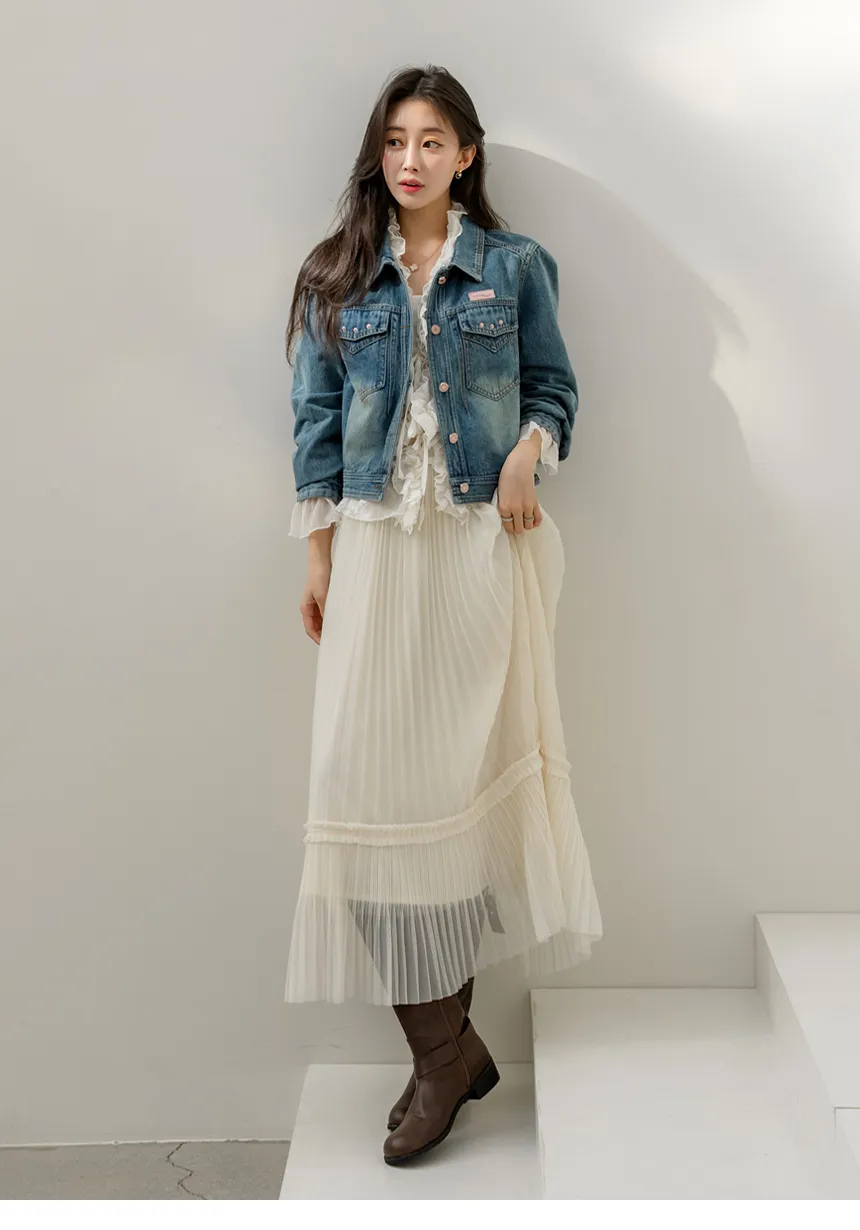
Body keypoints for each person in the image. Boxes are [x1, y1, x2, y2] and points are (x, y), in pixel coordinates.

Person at [282, 64, 603, 1167]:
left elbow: (555, 388)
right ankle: (449, 1051)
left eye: (431, 140)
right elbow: (315, 422)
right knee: (359, 790)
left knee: (455, 798)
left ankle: (437, 1064)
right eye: (394, 141)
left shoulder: (512, 267)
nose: (409, 159)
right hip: (376, 552)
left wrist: (524, 453)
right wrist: (318, 555)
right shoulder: (337, 275)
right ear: (377, 155)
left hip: (476, 552)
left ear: (466, 154)